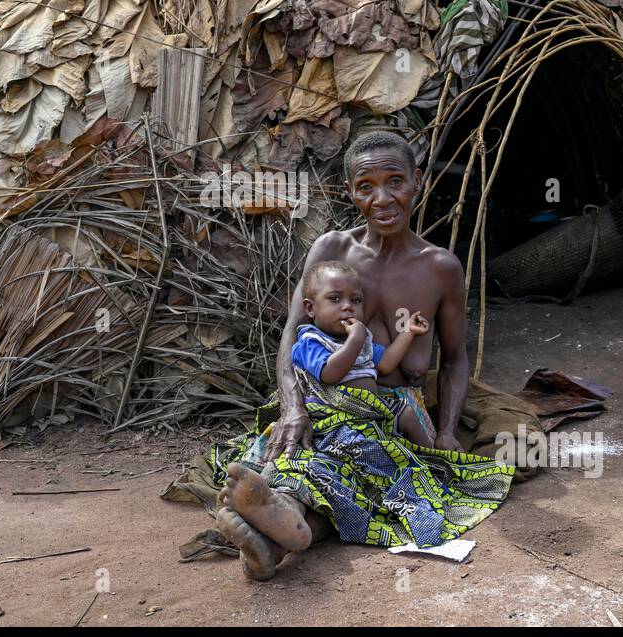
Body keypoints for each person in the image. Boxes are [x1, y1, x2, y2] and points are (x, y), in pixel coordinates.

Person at [205, 129, 515, 581]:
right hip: (326, 408)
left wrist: (446, 429)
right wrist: (293, 408)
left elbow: (453, 359)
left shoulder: (440, 268)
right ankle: (278, 524)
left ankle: (275, 535)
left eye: (395, 181)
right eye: (366, 187)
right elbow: (292, 335)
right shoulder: (331, 251)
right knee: (306, 454)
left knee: (369, 472)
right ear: (350, 191)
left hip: (387, 420)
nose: (383, 198)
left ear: (418, 182)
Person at [290, 259, 437, 446]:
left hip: (372, 411)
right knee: (356, 444)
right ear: (311, 308)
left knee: (407, 415)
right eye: (335, 299)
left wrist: (408, 332)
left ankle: (432, 461)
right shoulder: (310, 342)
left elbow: (385, 364)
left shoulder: (361, 338)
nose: (347, 306)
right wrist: (355, 340)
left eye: (356, 300)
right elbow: (329, 374)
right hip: (336, 415)